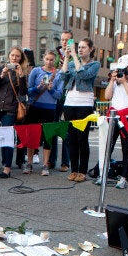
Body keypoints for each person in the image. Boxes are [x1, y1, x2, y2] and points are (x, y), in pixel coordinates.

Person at [101, 54, 128, 188]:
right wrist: (112, 81)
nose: (121, 72)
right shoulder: (116, 81)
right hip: (114, 114)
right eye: (119, 69)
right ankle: (103, 173)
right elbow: (107, 96)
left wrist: (125, 82)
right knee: (109, 146)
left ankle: (124, 177)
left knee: (126, 148)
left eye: (124, 69)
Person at [61, 38, 100, 183]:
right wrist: (66, 58)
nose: (80, 50)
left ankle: (82, 171)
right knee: (71, 139)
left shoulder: (95, 64)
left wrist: (75, 58)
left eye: (83, 47)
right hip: (70, 102)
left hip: (85, 104)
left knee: (82, 138)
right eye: (79, 47)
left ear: (90, 49)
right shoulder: (72, 63)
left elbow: (83, 75)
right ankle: (74, 170)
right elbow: (63, 77)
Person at [0, 46, 28, 178]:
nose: (14, 58)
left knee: (7, 138)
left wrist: (21, 76)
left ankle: (7, 168)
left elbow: (23, 93)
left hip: (10, 108)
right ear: (9, 56)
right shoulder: (0, 68)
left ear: (21, 59)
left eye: (17, 56)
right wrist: (2, 75)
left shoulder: (22, 71)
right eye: (12, 55)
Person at [25, 50, 63, 176]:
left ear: (55, 60)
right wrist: (38, 87)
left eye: (52, 59)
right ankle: (29, 163)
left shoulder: (58, 74)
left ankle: (45, 164)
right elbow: (29, 91)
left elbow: (59, 94)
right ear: (43, 59)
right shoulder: (36, 71)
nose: (49, 62)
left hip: (50, 108)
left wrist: (51, 90)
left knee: (48, 137)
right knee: (31, 136)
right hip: (35, 107)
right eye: (47, 59)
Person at [51, 29, 74, 172]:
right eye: (63, 39)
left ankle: (65, 162)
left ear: (72, 42)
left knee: (66, 131)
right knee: (53, 129)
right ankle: (51, 160)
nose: (64, 42)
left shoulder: (74, 57)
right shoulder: (54, 55)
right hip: (55, 96)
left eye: (67, 40)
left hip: (68, 97)